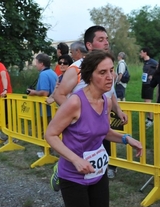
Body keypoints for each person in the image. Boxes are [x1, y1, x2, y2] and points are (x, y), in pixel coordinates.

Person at [30, 50, 142, 207]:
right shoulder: (75, 103)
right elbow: (50, 135)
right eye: (103, 72)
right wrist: (75, 159)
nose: (110, 76)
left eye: (111, 71)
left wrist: (127, 139)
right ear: (90, 76)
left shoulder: (106, 101)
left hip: (97, 174)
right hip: (73, 176)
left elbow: (103, 131)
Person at [53, 25, 128, 181]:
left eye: (107, 39)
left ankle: (101, 172)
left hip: (101, 118)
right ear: (89, 45)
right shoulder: (76, 68)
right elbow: (59, 94)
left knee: (102, 148)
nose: (106, 43)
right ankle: (62, 172)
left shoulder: (108, 67)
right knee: (79, 159)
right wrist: (76, 116)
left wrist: (118, 110)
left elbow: (110, 92)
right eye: (101, 40)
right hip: (81, 128)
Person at [27, 53, 58, 119]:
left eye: (37, 63)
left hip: (46, 110)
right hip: (54, 108)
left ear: (41, 64)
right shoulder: (53, 72)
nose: (35, 65)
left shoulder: (43, 74)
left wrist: (34, 92)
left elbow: (45, 92)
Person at [139, 47, 158, 128]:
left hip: (149, 84)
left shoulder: (152, 62)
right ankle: (148, 117)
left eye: (141, 52)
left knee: (148, 102)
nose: (140, 54)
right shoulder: (145, 62)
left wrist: (154, 76)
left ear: (145, 53)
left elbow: (159, 68)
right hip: (144, 82)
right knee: (145, 100)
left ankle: (151, 119)